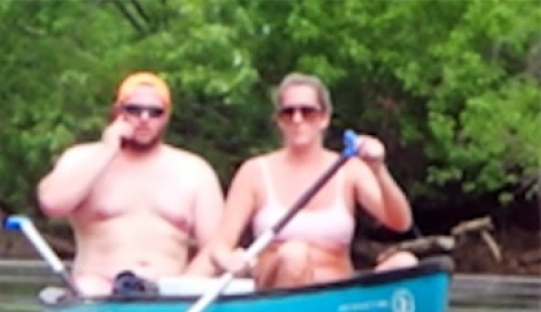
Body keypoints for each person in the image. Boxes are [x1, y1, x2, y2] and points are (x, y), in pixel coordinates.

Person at [198, 73, 418, 289]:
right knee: (295, 254)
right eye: (288, 112)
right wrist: (228, 260)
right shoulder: (255, 171)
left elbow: (401, 222)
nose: (297, 119)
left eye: (307, 112)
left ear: (324, 118)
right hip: (278, 292)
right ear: (278, 121)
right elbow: (219, 245)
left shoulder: (348, 169)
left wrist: (378, 170)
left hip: (337, 294)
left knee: (405, 263)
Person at [36, 71, 226, 297]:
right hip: (97, 290)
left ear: (166, 117)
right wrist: (108, 150)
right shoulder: (81, 158)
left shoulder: (195, 170)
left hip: (167, 295)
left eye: (155, 112)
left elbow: (216, 249)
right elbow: (52, 203)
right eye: (134, 110)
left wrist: (183, 286)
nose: (144, 118)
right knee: (88, 288)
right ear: (118, 112)